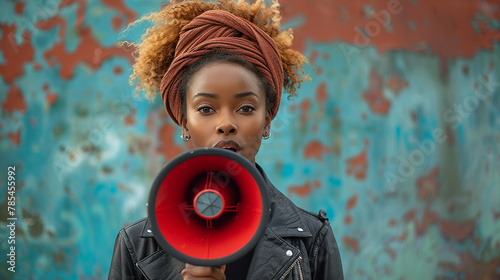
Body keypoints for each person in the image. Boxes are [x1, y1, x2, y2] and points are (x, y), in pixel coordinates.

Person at [109, 0, 344, 279]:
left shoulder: (312, 241)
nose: (226, 125)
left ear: (267, 119)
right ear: (184, 121)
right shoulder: (137, 246)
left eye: (245, 108)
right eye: (206, 109)